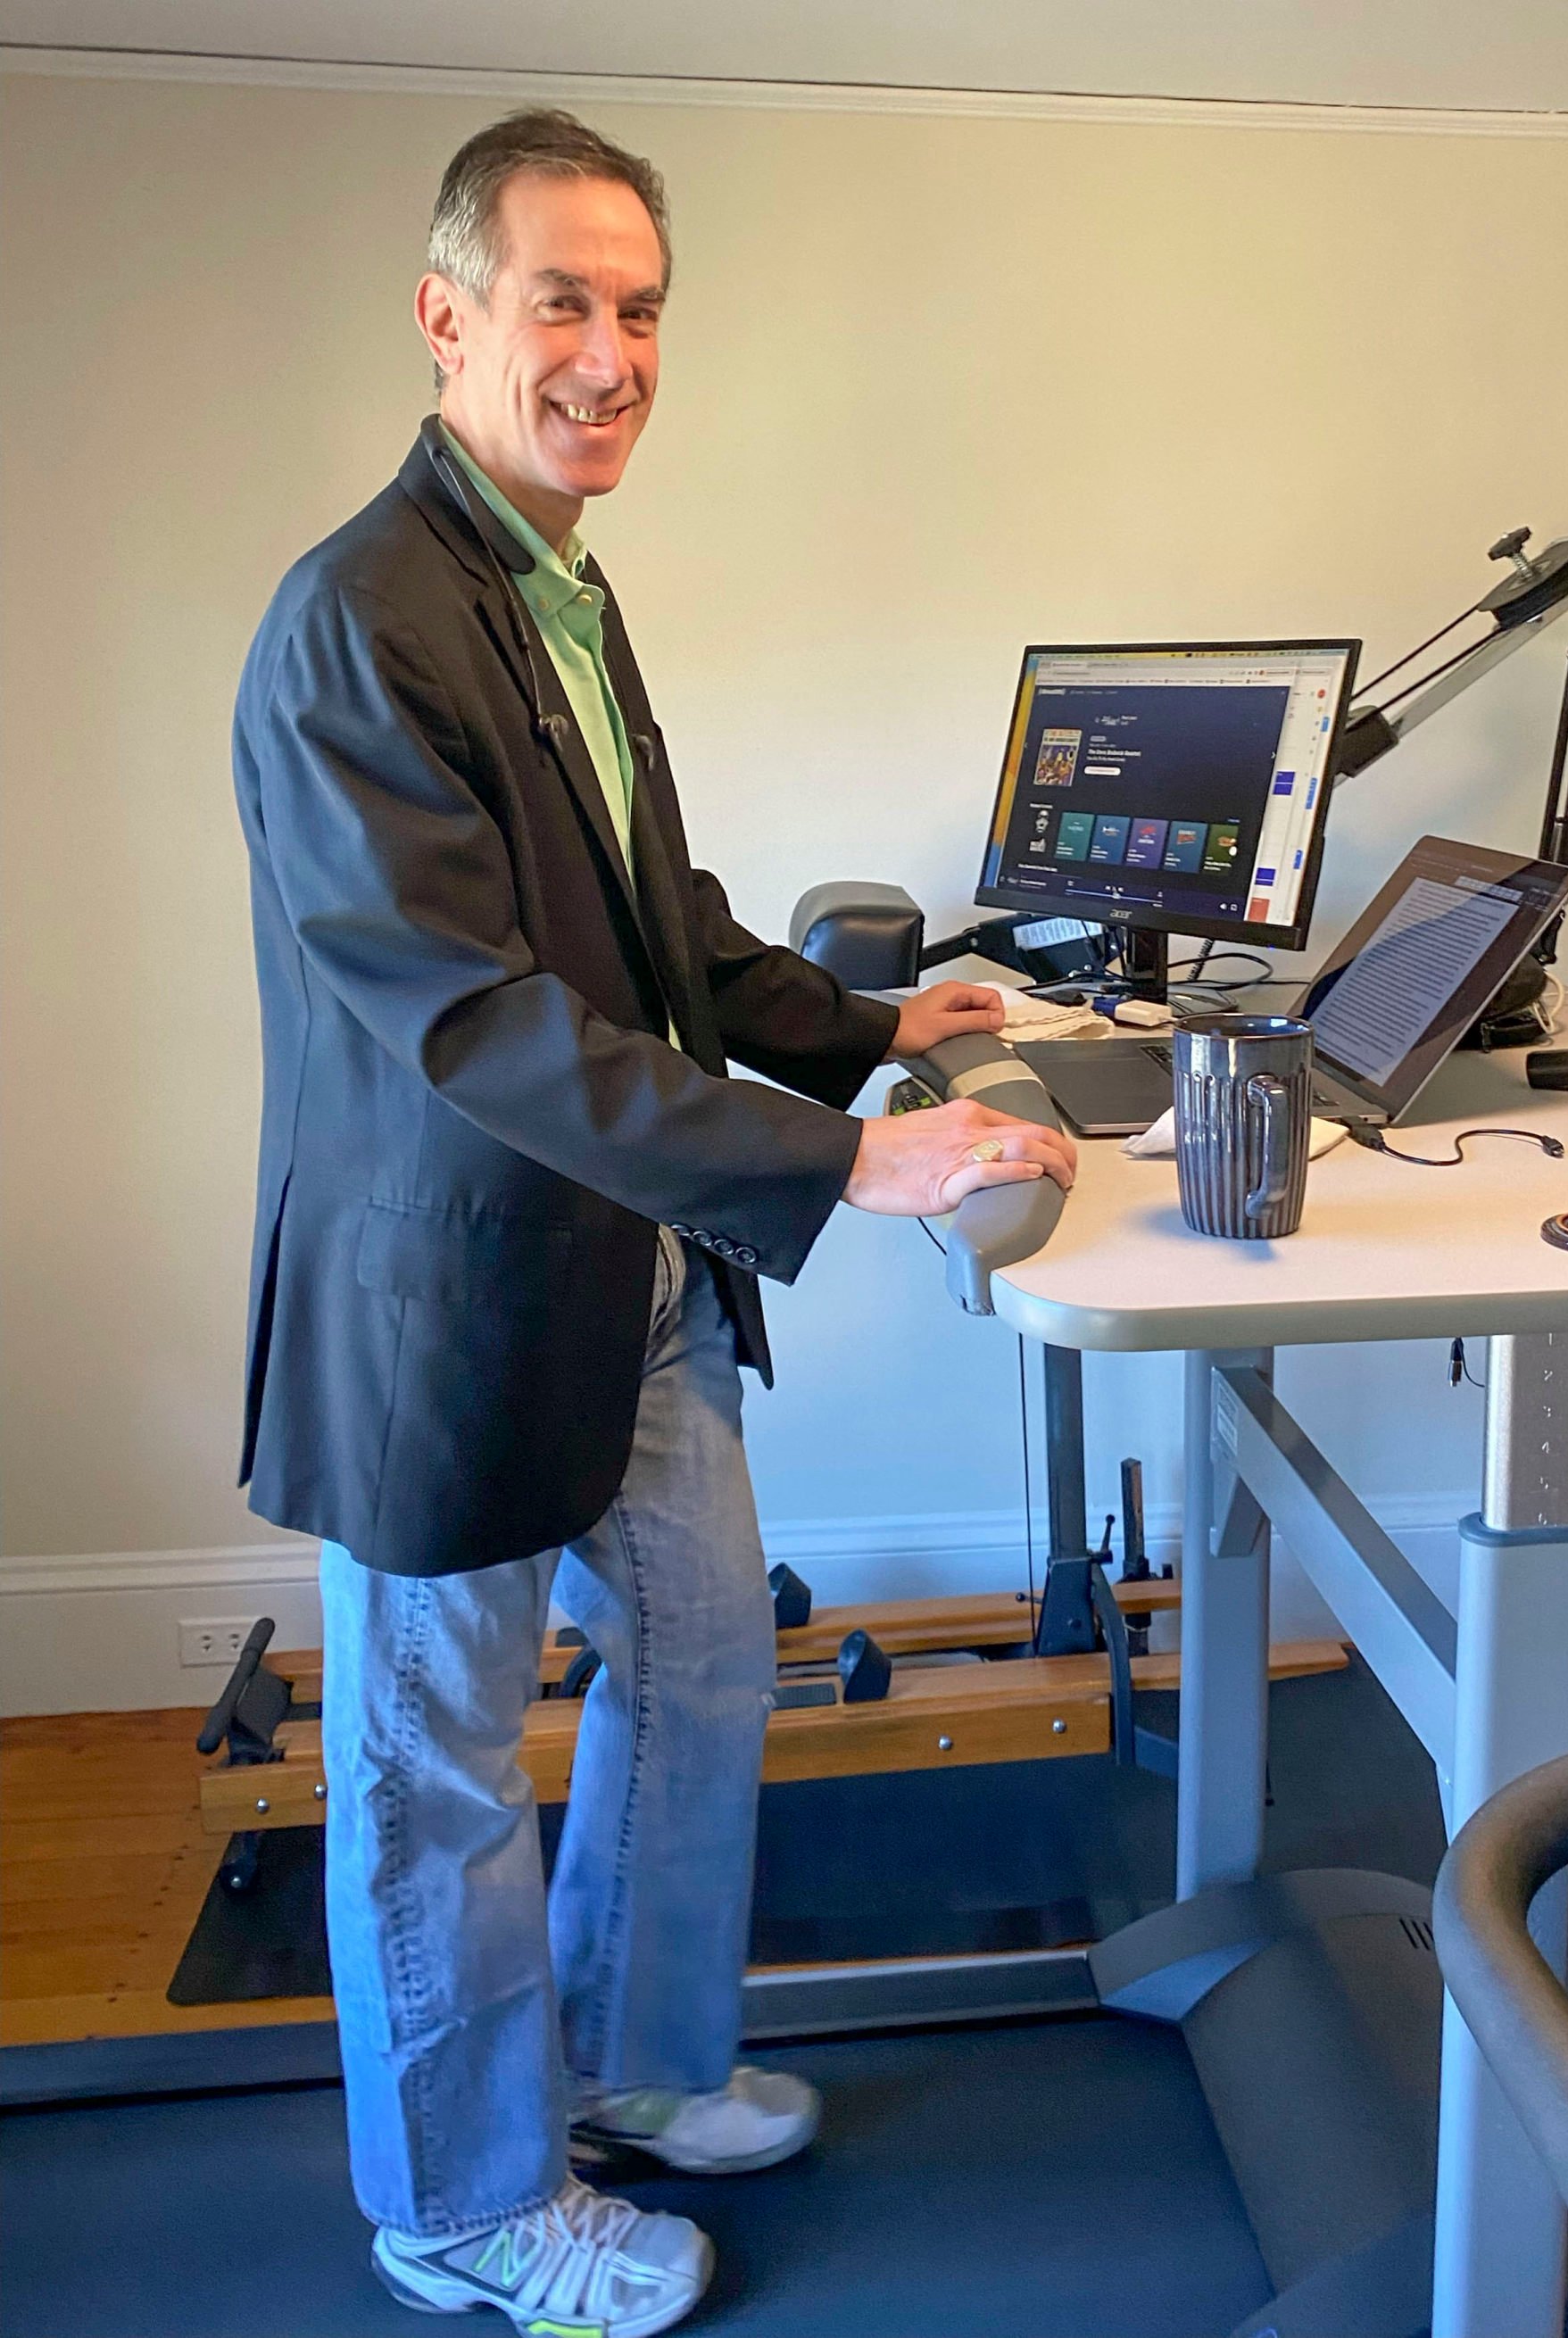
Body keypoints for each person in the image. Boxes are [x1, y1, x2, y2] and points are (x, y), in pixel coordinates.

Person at [231, 107, 1074, 2338]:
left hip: (634, 1278)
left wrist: (876, 1018)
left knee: (702, 1667)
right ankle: (465, 2198)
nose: (610, 356)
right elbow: (472, 1021)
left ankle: (634, 2065)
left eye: (639, 312)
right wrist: (840, 1155)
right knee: (431, 1776)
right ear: (447, 320)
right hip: (454, 1303)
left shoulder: (556, 584)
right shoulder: (360, 621)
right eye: (561, 305)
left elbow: (651, 929)